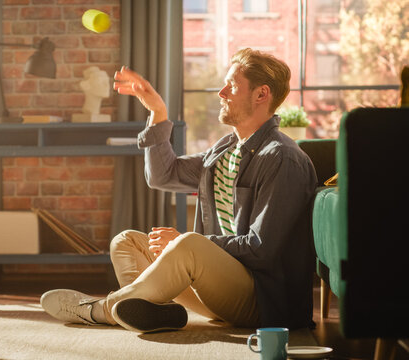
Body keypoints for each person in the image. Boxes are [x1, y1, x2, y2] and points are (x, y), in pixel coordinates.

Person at [41, 48, 317, 333]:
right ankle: (155, 311)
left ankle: (100, 310)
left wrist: (188, 243)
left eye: (232, 86)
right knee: (127, 242)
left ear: (261, 95)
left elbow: (262, 250)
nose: (221, 93)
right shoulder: (225, 149)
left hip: (264, 303)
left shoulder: (281, 158)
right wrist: (157, 113)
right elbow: (164, 174)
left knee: (190, 244)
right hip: (214, 292)